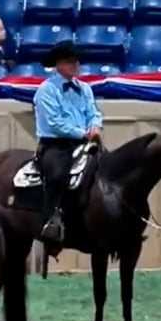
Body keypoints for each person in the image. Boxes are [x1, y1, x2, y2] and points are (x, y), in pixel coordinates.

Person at [32, 41, 104, 245]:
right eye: (70, 61)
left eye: (76, 61)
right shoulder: (47, 90)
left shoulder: (85, 89)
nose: (75, 65)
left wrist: (95, 126)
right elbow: (55, 123)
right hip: (56, 145)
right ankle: (51, 219)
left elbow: (93, 112)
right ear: (59, 64)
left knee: (107, 167)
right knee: (57, 175)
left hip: (84, 141)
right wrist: (84, 133)